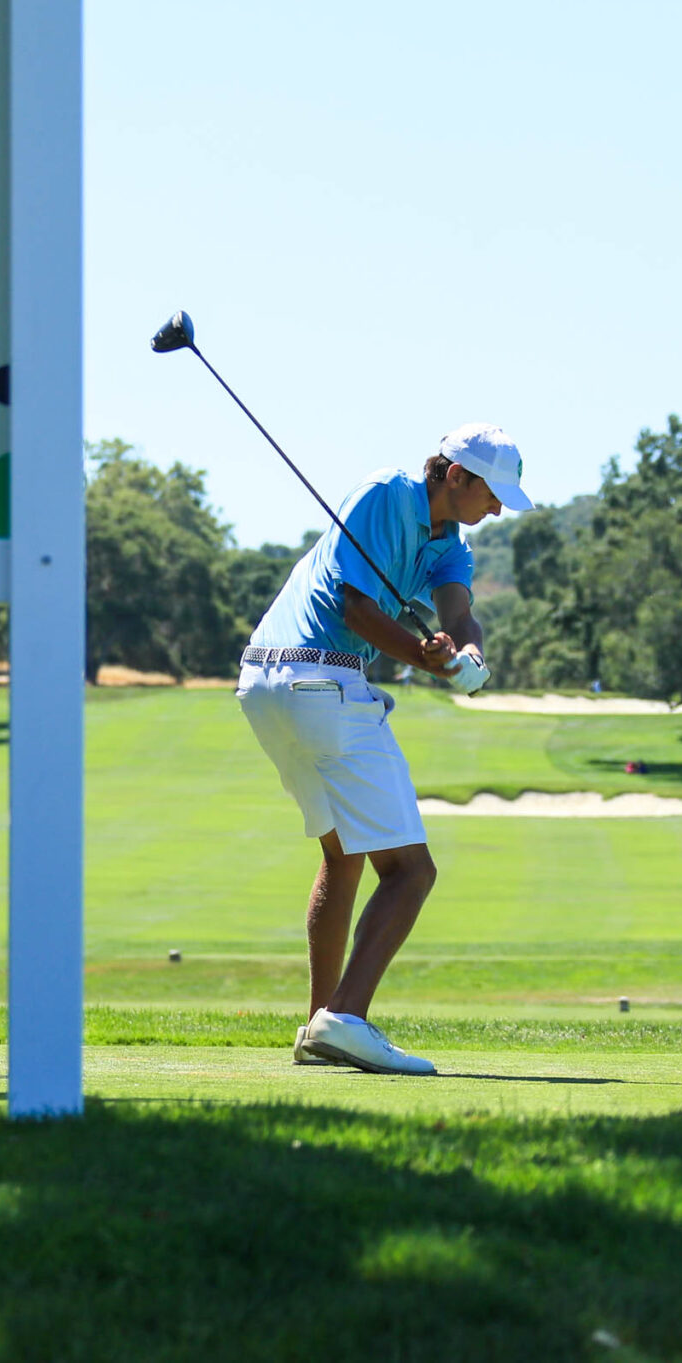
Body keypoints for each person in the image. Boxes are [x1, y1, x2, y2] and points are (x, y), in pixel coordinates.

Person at [238, 422, 530, 1075]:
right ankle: (347, 1017)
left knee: (342, 860)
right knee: (410, 871)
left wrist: (469, 650)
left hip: (264, 683)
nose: (499, 508)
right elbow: (354, 607)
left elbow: (458, 616)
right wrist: (423, 660)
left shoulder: (450, 545)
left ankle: (322, 1027)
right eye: (492, 492)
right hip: (321, 674)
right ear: (456, 475)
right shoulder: (381, 495)